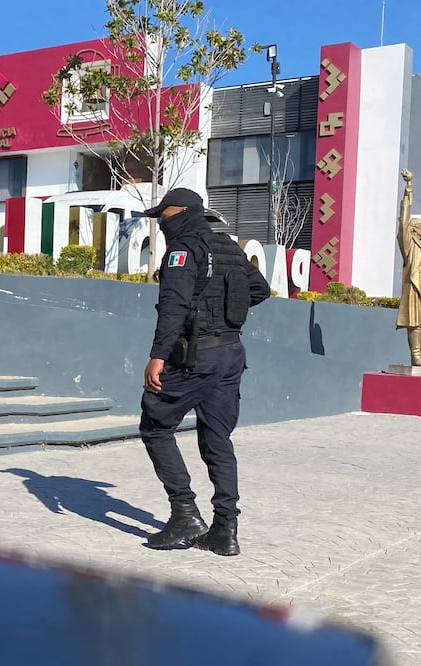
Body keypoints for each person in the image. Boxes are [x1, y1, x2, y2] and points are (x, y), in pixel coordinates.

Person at [139, 187, 270, 557]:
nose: (161, 222)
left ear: (180, 212)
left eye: (163, 216)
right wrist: (225, 311)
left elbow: (174, 306)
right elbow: (259, 289)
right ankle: (225, 530)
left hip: (197, 355)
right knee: (217, 438)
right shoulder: (229, 247)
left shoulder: (184, 250)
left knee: (155, 424)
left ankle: (185, 514)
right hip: (231, 353)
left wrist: (158, 356)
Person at [395, 169, 421, 367]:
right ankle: (415, 355)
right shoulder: (408, 243)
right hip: (415, 286)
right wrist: (408, 187)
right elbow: (403, 220)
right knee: (414, 321)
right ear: (413, 229)